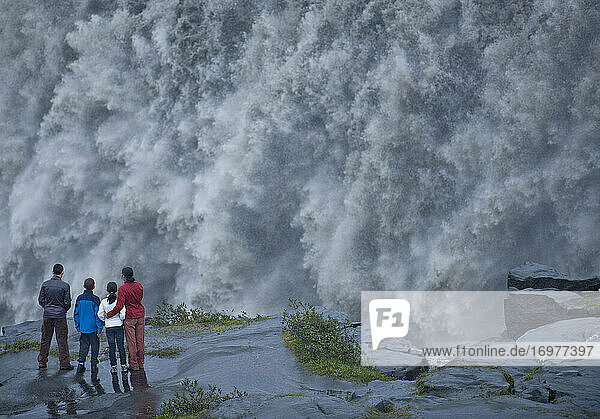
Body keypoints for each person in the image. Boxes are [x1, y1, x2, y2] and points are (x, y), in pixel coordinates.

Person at [106, 267, 145, 371]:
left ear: (124, 276)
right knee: (140, 340)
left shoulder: (123, 288)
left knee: (131, 342)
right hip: (140, 315)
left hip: (130, 317)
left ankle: (134, 365)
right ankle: (141, 363)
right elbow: (140, 298)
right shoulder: (139, 286)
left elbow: (119, 306)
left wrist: (109, 314)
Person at [37, 264, 74, 370]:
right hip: (60, 316)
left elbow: (40, 300)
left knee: (45, 338)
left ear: (52, 272)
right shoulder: (65, 286)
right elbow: (67, 303)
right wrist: (62, 310)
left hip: (47, 315)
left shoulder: (45, 285)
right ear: (62, 272)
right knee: (62, 339)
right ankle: (64, 363)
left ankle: (42, 362)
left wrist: (47, 307)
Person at [74, 277, 103, 375]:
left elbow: (76, 314)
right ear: (94, 287)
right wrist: (99, 329)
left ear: (83, 286)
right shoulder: (95, 299)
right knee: (95, 346)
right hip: (93, 328)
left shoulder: (79, 298)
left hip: (83, 328)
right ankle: (94, 365)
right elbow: (98, 316)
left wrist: (78, 327)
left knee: (83, 346)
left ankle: (80, 365)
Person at [97, 281, 127, 374]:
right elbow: (123, 314)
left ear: (107, 290)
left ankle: (113, 367)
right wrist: (121, 321)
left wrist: (105, 320)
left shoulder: (103, 302)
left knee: (112, 347)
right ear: (116, 290)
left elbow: (100, 314)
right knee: (121, 346)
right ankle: (124, 366)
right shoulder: (119, 301)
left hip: (109, 327)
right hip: (118, 326)